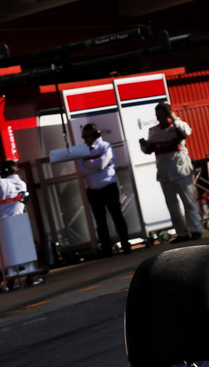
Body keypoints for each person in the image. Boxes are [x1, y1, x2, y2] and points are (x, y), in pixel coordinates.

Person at [139, 102, 201, 242]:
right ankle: (182, 233)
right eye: (157, 115)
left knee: (189, 202)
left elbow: (185, 133)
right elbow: (149, 150)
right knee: (172, 206)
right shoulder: (153, 131)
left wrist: (173, 118)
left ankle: (195, 230)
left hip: (181, 170)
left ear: (167, 114)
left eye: (161, 114)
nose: (158, 117)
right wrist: (143, 144)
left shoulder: (177, 126)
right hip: (164, 174)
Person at [73, 123, 131, 255]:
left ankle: (125, 244)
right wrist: (93, 163)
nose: (85, 139)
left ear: (95, 135)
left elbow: (101, 164)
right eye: (84, 136)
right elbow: (80, 170)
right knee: (100, 221)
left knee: (117, 216)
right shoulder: (82, 150)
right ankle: (106, 248)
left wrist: (88, 162)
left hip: (108, 186)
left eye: (87, 136)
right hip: (93, 190)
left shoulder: (105, 146)